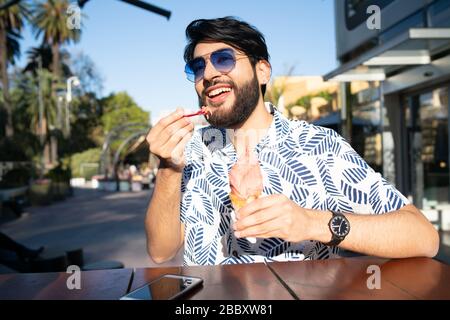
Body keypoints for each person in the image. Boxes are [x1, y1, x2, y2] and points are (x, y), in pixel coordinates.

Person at [145, 17, 439, 266]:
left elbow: (423, 237)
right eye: (197, 67)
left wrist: (311, 223)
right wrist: (169, 168)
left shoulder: (319, 146)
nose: (208, 74)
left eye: (224, 58)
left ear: (263, 71)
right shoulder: (191, 151)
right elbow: (160, 251)